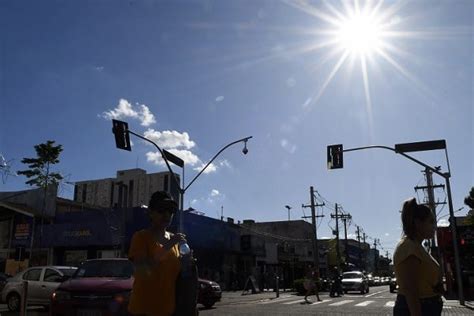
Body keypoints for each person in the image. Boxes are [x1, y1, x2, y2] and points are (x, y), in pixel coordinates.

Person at [127, 191, 190, 316]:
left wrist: (187, 262)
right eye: (161, 210)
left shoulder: (174, 241)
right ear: (150, 213)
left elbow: (174, 276)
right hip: (143, 310)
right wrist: (168, 246)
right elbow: (143, 271)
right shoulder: (141, 237)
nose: (167, 215)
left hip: (167, 310)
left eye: (170, 211)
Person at [393, 198, 443, 316]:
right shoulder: (409, 247)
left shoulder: (418, 247)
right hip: (419, 308)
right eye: (431, 222)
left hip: (428, 305)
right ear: (418, 223)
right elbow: (411, 290)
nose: (434, 227)